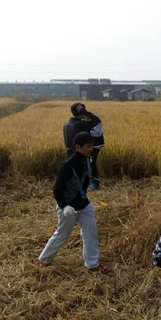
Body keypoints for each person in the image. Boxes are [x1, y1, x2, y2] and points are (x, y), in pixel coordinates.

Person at [38, 132, 109, 274]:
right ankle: (44, 259)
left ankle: (92, 264)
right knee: (62, 234)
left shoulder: (87, 160)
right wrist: (65, 206)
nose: (91, 149)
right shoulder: (68, 165)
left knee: (91, 232)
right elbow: (57, 190)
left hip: (84, 205)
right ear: (78, 147)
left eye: (91, 146)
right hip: (68, 207)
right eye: (88, 146)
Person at [63, 103, 103, 190]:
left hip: (70, 152)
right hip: (81, 151)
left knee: (75, 170)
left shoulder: (66, 124)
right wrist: (86, 112)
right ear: (81, 112)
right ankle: (95, 184)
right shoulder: (81, 124)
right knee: (91, 164)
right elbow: (97, 120)